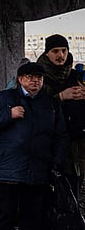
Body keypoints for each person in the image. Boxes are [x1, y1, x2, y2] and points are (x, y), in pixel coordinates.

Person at [0, 61, 69, 230]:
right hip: (10, 170)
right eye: (30, 77)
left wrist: (55, 161)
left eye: (38, 78)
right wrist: (8, 115)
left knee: (32, 217)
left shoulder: (49, 103)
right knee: (5, 218)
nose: (35, 81)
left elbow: (60, 135)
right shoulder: (4, 98)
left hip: (38, 169)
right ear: (20, 79)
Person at [37, 34, 85, 196]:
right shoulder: (37, 77)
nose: (60, 55)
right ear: (46, 54)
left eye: (64, 50)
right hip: (47, 145)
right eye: (55, 51)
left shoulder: (76, 76)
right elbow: (33, 107)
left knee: (72, 199)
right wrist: (61, 97)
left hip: (75, 149)